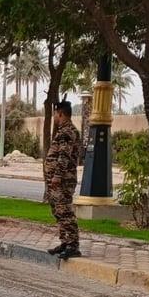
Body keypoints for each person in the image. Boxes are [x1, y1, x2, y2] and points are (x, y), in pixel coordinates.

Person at [45, 100, 83, 259]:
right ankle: (65, 242)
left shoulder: (67, 132)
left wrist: (57, 176)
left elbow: (64, 156)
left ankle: (73, 245)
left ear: (60, 113)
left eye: (55, 114)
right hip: (56, 181)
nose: (54, 116)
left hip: (63, 180)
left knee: (65, 212)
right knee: (58, 212)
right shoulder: (63, 131)